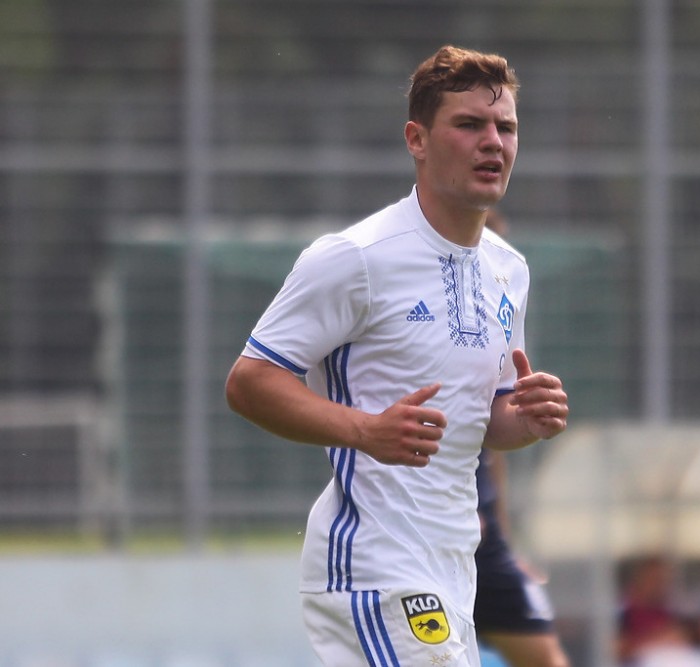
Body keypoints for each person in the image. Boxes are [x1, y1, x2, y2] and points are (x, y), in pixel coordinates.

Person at [225, 45, 569, 667]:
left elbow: (486, 421)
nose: (493, 143)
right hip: (373, 565)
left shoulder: (508, 270)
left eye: (506, 127)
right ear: (417, 139)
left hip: (453, 566)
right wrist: (366, 430)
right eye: (469, 124)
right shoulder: (356, 257)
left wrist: (527, 418)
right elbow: (250, 381)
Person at [473, 209, 570, 667]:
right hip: (424, 531)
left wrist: (531, 418)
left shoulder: (502, 297)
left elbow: (491, 442)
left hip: (484, 541)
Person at [616, 553, 691, 666]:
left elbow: (683, 640)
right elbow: (615, 649)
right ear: (639, 579)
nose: (659, 585)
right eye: (654, 578)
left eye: (663, 579)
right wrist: (655, 640)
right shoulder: (622, 611)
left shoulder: (669, 613)